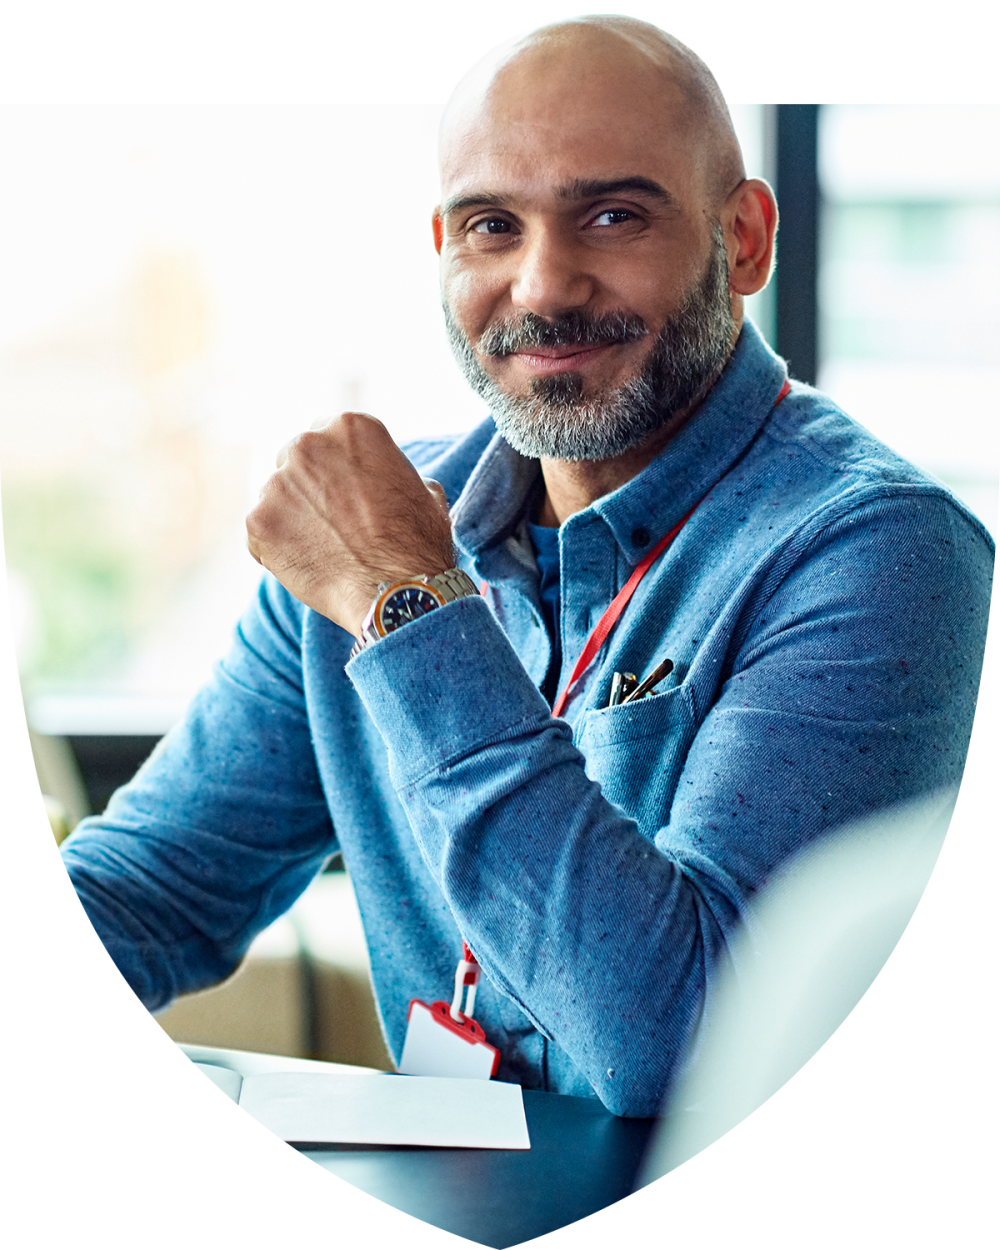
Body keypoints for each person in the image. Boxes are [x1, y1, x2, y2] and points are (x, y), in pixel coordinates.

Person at [59, 19, 992, 1119]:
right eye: (491, 225)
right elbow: (155, 886)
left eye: (613, 214)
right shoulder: (378, 522)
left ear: (741, 238)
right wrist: (392, 579)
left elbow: (687, 1048)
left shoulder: (882, 550)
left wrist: (410, 609)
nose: (543, 285)